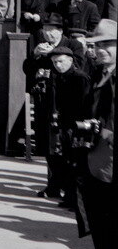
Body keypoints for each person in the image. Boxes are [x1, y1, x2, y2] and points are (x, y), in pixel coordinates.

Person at [73, 19, 116, 249]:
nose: (100, 50)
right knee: (99, 217)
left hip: (109, 160)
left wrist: (106, 131)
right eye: (97, 45)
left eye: (107, 44)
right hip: (95, 158)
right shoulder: (100, 73)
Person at [24, 13, 86, 168]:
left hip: (65, 101)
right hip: (44, 100)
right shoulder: (40, 45)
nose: (47, 33)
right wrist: (35, 55)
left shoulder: (73, 44)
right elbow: (27, 69)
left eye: (51, 30)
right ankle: (52, 178)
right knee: (48, 146)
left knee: (65, 145)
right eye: (45, 29)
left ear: (60, 31)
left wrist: (54, 52)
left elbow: (78, 66)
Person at [44, 46, 92, 210]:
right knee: (66, 160)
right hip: (65, 124)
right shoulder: (59, 77)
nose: (57, 65)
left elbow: (86, 104)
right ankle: (70, 197)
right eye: (54, 62)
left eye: (60, 61)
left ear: (71, 60)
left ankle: (76, 200)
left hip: (77, 126)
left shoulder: (80, 78)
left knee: (76, 162)